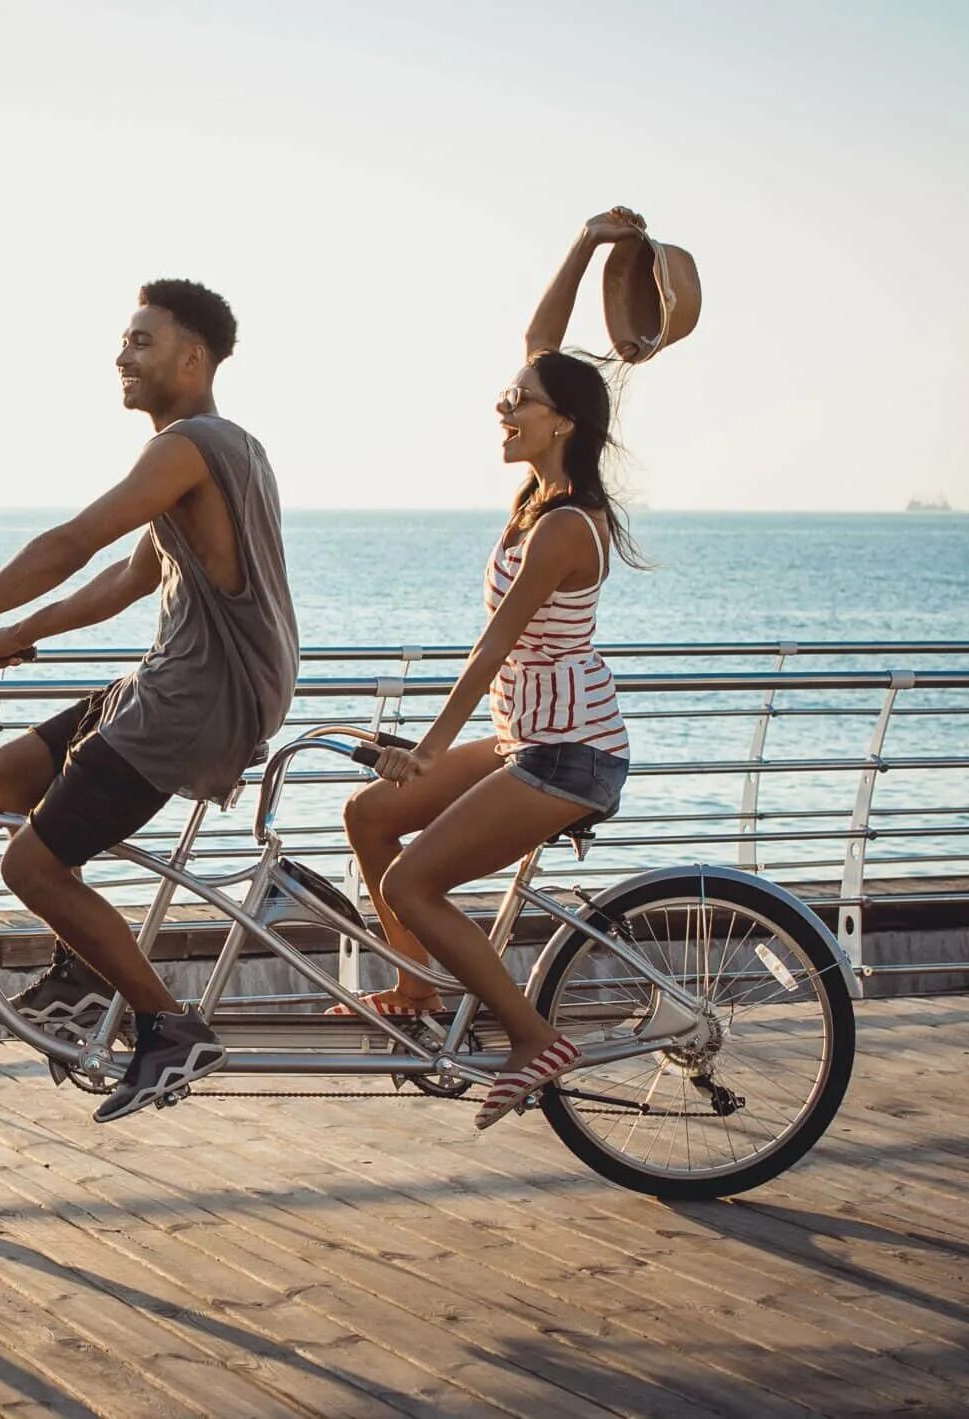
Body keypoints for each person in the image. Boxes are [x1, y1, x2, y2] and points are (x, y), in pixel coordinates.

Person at [0, 279, 298, 1122]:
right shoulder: (217, 450)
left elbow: (69, 544)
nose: (121, 356)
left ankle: (168, 1027)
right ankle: (85, 968)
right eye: (124, 341)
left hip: (197, 696)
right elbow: (127, 578)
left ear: (191, 357)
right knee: (9, 774)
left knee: (26, 863)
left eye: (141, 341)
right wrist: (8, 638)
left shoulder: (189, 446)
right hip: (176, 677)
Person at [340, 208, 650, 1129]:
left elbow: (495, 649)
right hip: (531, 738)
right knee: (368, 816)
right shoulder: (543, 494)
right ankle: (416, 983)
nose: (503, 409)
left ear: (562, 423)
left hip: (568, 756)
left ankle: (530, 1035)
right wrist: (589, 246)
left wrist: (429, 749)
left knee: (411, 882)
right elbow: (540, 343)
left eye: (520, 404)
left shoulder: (563, 525)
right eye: (506, 399)